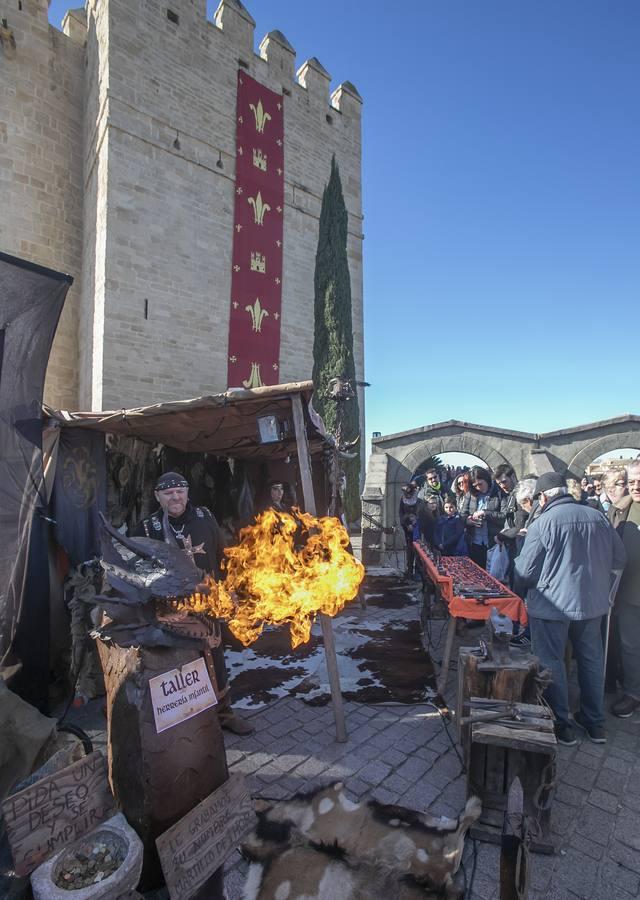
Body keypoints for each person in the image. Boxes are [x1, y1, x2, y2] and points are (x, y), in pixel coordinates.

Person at [131, 472, 254, 735]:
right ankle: (190, 720)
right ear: (158, 497)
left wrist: (229, 589)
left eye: (179, 491)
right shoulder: (145, 528)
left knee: (216, 658)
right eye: (168, 493)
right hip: (172, 611)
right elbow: (137, 572)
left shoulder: (205, 518)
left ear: (187, 493)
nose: (175, 496)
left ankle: (224, 713)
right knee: (181, 664)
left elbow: (223, 555)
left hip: (209, 602)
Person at [515, 472, 626, 745]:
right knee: (590, 661)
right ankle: (594, 724)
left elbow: (524, 571)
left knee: (551, 662)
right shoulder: (598, 516)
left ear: (542, 497)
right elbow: (620, 558)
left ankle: (561, 724)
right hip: (592, 605)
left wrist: (519, 589)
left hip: (551, 607)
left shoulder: (543, 523)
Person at [608, 461, 640, 718]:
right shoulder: (621, 508)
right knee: (630, 646)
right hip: (629, 591)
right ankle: (632, 693)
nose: (636, 486)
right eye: (631, 481)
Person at [460, 466, 505, 569]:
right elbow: (462, 515)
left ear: (487, 479)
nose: (478, 488)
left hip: (493, 542)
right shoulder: (471, 495)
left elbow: (504, 516)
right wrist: (468, 521)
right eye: (475, 485)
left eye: (480, 484)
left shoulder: (499, 493)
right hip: (474, 542)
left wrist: (485, 513)